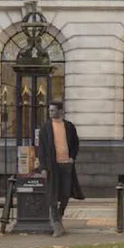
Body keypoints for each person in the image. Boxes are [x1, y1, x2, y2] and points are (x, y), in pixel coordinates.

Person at [35, 99, 82, 237]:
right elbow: (41, 149)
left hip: (66, 164)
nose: (50, 112)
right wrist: (43, 168)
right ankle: (56, 225)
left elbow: (76, 143)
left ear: (61, 111)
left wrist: (72, 157)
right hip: (52, 166)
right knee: (53, 195)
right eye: (49, 110)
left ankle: (59, 216)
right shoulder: (45, 128)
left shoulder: (69, 126)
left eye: (53, 110)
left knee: (66, 194)